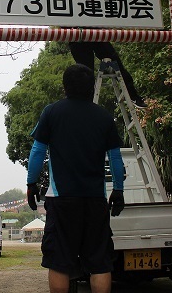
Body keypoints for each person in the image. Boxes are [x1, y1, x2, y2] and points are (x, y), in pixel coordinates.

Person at [26, 63, 126, 293]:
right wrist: (118, 190)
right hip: (95, 200)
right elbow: (115, 157)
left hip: (62, 201)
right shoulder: (104, 117)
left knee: (59, 262)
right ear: (91, 88)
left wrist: (31, 184)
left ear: (65, 87)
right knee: (100, 263)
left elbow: (37, 152)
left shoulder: (51, 112)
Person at [30, 0, 147, 108]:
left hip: (93, 31)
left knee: (115, 62)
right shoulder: (50, 11)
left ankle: (133, 96)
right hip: (76, 40)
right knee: (85, 75)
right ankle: (87, 107)